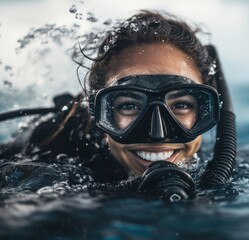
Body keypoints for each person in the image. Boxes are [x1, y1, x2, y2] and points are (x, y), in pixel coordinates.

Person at [0, 10, 236, 198]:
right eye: (129, 105)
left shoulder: (227, 167)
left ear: (206, 110)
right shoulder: (48, 165)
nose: (158, 134)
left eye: (182, 105)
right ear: (98, 114)